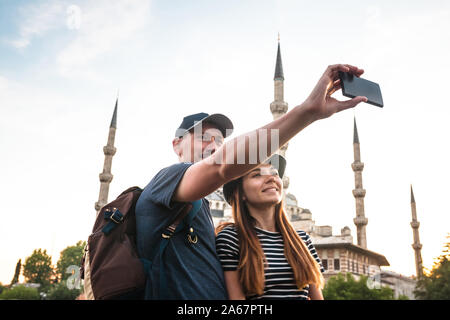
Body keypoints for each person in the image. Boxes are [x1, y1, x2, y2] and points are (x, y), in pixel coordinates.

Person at [135, 64, 367, 299]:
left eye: (220, 141)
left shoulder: (200, 207)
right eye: (204, 138)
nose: (214, 146)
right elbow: (222, 166)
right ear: (177, 144)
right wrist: (306, 113)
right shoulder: (167, 179)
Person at [216, 154, 325, 300]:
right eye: (257, 175)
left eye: (274, 173)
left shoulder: (301, 239)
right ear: (240, 193)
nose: (271, 178)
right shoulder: (231, 239)